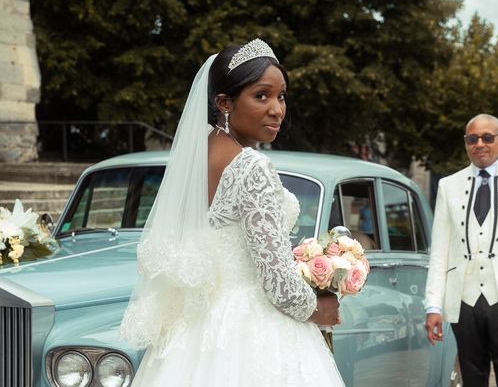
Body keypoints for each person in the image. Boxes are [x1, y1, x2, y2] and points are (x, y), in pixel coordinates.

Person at [120, 39, 345, 386]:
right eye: (261, 95)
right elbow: (278, 284)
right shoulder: (252, 166)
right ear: (224, 103)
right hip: (255, 331)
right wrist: (320, 308)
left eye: (281, 96)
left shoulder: (198, 155)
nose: (276, 109)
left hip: (197, 327)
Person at [424, 114, 498, 387]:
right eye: (472, 138)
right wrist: (433, 305)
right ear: (466, 143)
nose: (480, 144)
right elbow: (440, 251)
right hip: (463, 299)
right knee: (472, 378)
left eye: (487, 137)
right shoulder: (448, 186)